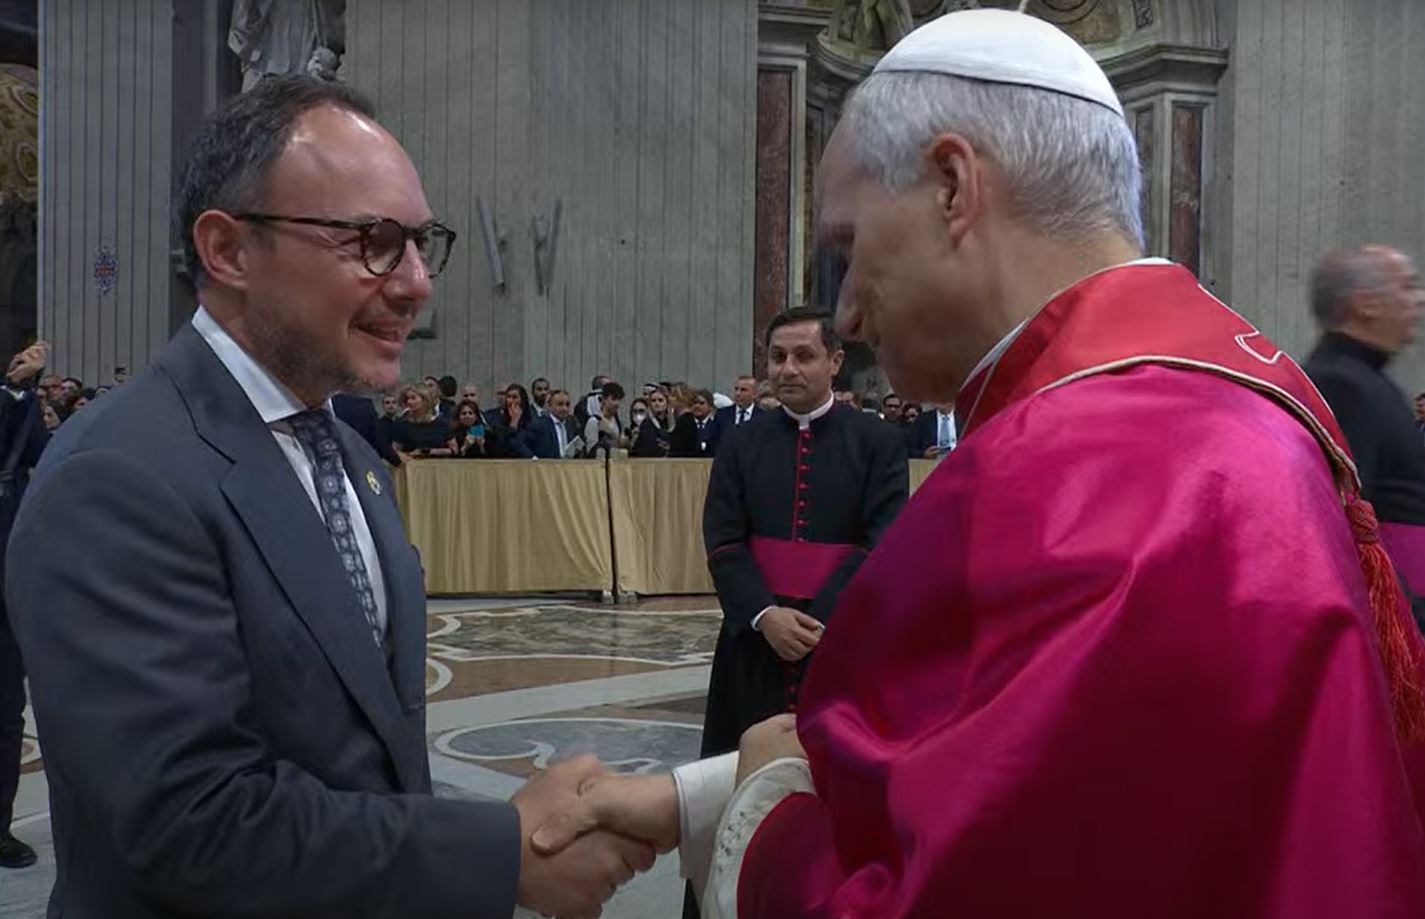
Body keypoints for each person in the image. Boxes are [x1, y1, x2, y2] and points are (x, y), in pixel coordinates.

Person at [529, 11, 1425, 919]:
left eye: (845, 248)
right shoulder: (1196, 421)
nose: (843, 318)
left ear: (953, 187)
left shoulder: (1089, 472)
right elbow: (1015, 780)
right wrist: (694, 800)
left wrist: (765, 826)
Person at [6, 75, 651, 918]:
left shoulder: (348, 453)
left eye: (423, 242)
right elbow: (187, 822)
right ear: (228, 250)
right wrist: (498, 854)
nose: (417, 282)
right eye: (374, 241)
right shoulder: (119, 472)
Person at [697, 308, 908, 759]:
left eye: (803, 356)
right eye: (777, 357)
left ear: (834, 361)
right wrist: (764, 615)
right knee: (736, 777)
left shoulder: (878, 441)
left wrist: (822, 620)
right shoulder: (739, 441)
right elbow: (723, 539)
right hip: (754, 640)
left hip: (842, 637)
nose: (787, 369)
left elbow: (882, 541)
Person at [1303, 246, 1425, 626]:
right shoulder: (1344, 386)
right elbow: (1345, 521)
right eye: (1407, 287)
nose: (1418, 299)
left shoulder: (1365, 379)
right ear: (1367, 304)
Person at [0, 341, 51, 870]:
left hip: (4, 577)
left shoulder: (16, 404)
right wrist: (17, 391)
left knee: (6, 713)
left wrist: (22, 393)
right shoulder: (11, 399)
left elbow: (39, 453)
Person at [390, 382, 452, 459]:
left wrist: (430, 451)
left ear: (425, 400)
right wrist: (409, 455)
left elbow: (453, 449)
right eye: (407, 398)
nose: (409, 402)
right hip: (412, 466)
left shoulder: (442, 423)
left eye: (413, 398)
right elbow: (394, 450)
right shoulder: (402, 424)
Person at [522, 389, 583, 459]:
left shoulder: (572, 423)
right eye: (560, 404)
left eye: (567, 405)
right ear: (549, 406)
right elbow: (523, 445)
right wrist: (534, 458)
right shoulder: (539, 424)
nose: (565, 408)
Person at [670, 389, 722, 458]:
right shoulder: (683, 423)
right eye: (694, 403)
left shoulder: (716, 425)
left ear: (710, 407)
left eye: (701, 403)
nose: (697, 406)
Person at [584, 380, 626, 456]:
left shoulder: (619, 423)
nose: (617, 403)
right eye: (614, 399)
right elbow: (590, 450)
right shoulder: (594, 421)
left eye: (619, 399)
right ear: (604, 399)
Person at [631, 386, 675, 458]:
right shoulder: (646, 424)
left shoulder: (672, 422)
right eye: (653, 401)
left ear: (667, 403)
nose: (657, 403)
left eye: (660, 400)